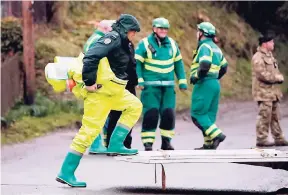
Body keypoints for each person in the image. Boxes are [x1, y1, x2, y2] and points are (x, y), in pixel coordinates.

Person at [55, 14, 142, 188]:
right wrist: (89, 83)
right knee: (88, 132)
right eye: (133, 32)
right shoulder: (113, 38)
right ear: (127, 30)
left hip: (114, 92)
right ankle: (66, 172)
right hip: (100, 95)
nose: (134, 35)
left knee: (134, 106)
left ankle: (116, 144)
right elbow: (91, 57)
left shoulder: (122, 41)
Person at [135, 17, 187, 151]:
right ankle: (148, 143)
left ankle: (166, 142)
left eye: (165, 29)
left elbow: (178, 64)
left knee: (168, 114)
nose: (163, 31)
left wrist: (182, 81)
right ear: (154, 29)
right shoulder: (145, 43)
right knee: (151, 113)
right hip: (150, 87)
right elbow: (137, 63)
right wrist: (139, 79)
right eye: (160, 28)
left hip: (168, 87)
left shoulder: (172, 44)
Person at [190, 22, 227, 150]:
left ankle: (217, 135)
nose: (196, 34)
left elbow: (205, 64)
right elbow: (224, 67)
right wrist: (215, 77)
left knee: (197, 114)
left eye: (198, 31)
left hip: (204, 83)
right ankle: (209, 143)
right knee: (208, 116)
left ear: (201, 33)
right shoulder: (216, 48)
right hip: (214, 84)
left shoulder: (204, 46)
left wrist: (196, 76)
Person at [251, 35, 288, 147]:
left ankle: (278, 137)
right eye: (271, 42)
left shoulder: (269, 56)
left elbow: (273, 71)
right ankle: (261, 139)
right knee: (264, 116)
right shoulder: (258, 57)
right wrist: (277, 78)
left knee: (275, 116)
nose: (273, 44)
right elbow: (262, 74)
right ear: (265, 44)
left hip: (273, 93)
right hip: (263, 92)